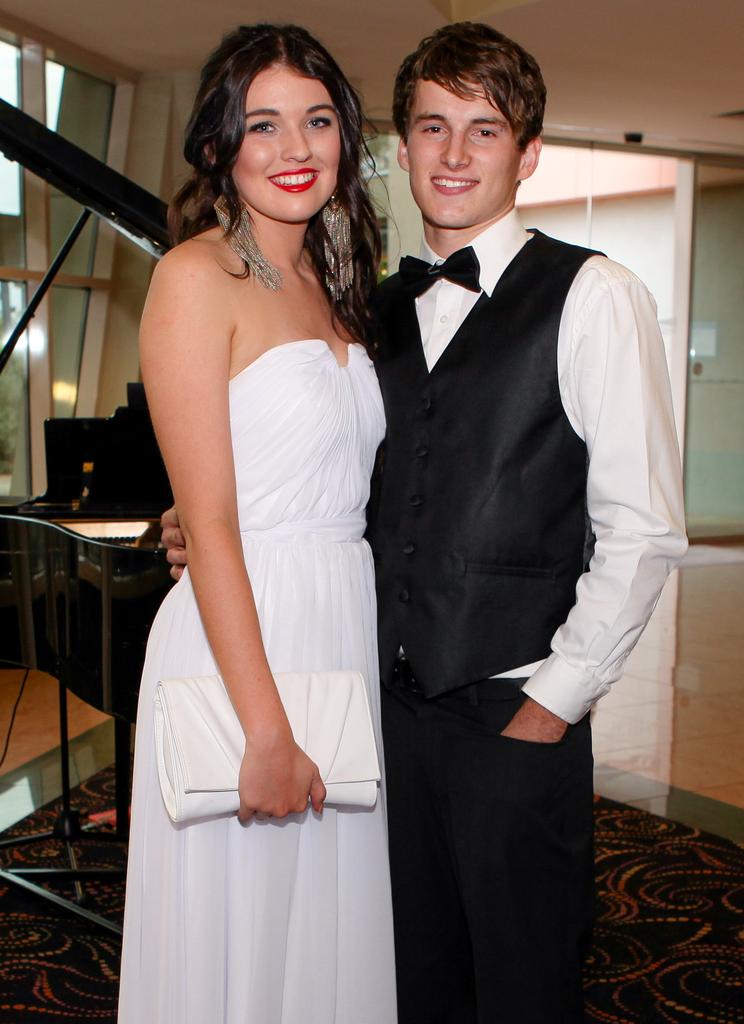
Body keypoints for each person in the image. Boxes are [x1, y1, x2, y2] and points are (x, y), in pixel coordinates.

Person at [163, 20, 688, 1024]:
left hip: (514, 715)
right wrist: (197, 511)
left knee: (526, 990)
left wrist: (552, 706)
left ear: (528, 154)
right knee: (406, 983)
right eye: (432, 128)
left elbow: (644, 530)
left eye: (483, 131)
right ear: (399, 150)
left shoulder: (595, 295)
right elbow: (333, 468)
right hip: (380, 712)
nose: (453, 155)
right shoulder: (365, 308)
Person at [119, 24, 397, 1024]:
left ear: (344, 140)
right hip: (246, 647)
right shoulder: (192, 278)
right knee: (239, 936)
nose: (295, 148)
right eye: (263, 124)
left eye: (317, 120)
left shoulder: (336, 288)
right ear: (219, 148)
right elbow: (218, 525)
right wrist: (268, 729)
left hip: (336, 624)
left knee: (321, 935)